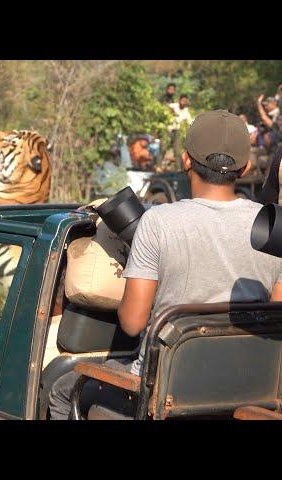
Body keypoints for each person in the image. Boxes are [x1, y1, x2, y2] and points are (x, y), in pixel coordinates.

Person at [48, 110, 282, 420]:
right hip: (248, 391)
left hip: (164, 391)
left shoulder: (158, 222)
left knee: (63, 390)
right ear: (246, 167)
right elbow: (274, 321)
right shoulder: (273, 225)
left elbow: (132, 322)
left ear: (186, 160)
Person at [167, 94, 194, 167]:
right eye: (182, 100)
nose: (184, 102)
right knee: (163, 146)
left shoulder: (186, 111)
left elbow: (190, 121)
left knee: (177, 150)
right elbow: (166, 109)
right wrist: (171, 111)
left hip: (177, 131)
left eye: (185, 101)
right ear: (179, 100)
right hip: (169, 129)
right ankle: (158, 166)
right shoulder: (173, 106)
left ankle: (178, 168)